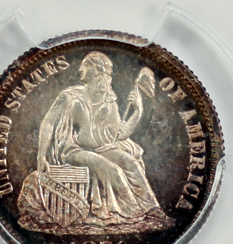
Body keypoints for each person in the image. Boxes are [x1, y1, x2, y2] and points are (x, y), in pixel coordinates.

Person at [18, 52, 168, 229]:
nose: (80, 69)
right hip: (73, 150)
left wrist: (137, 112)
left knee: (130, 162)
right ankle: (135, 214)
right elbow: (48, 123)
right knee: (112, 170)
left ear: (97, 71)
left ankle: (152, 209)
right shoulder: (69, 96)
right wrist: (41, 156)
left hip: (103, 148)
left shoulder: (109, 99)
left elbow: (118, 135)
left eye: (86, 65)